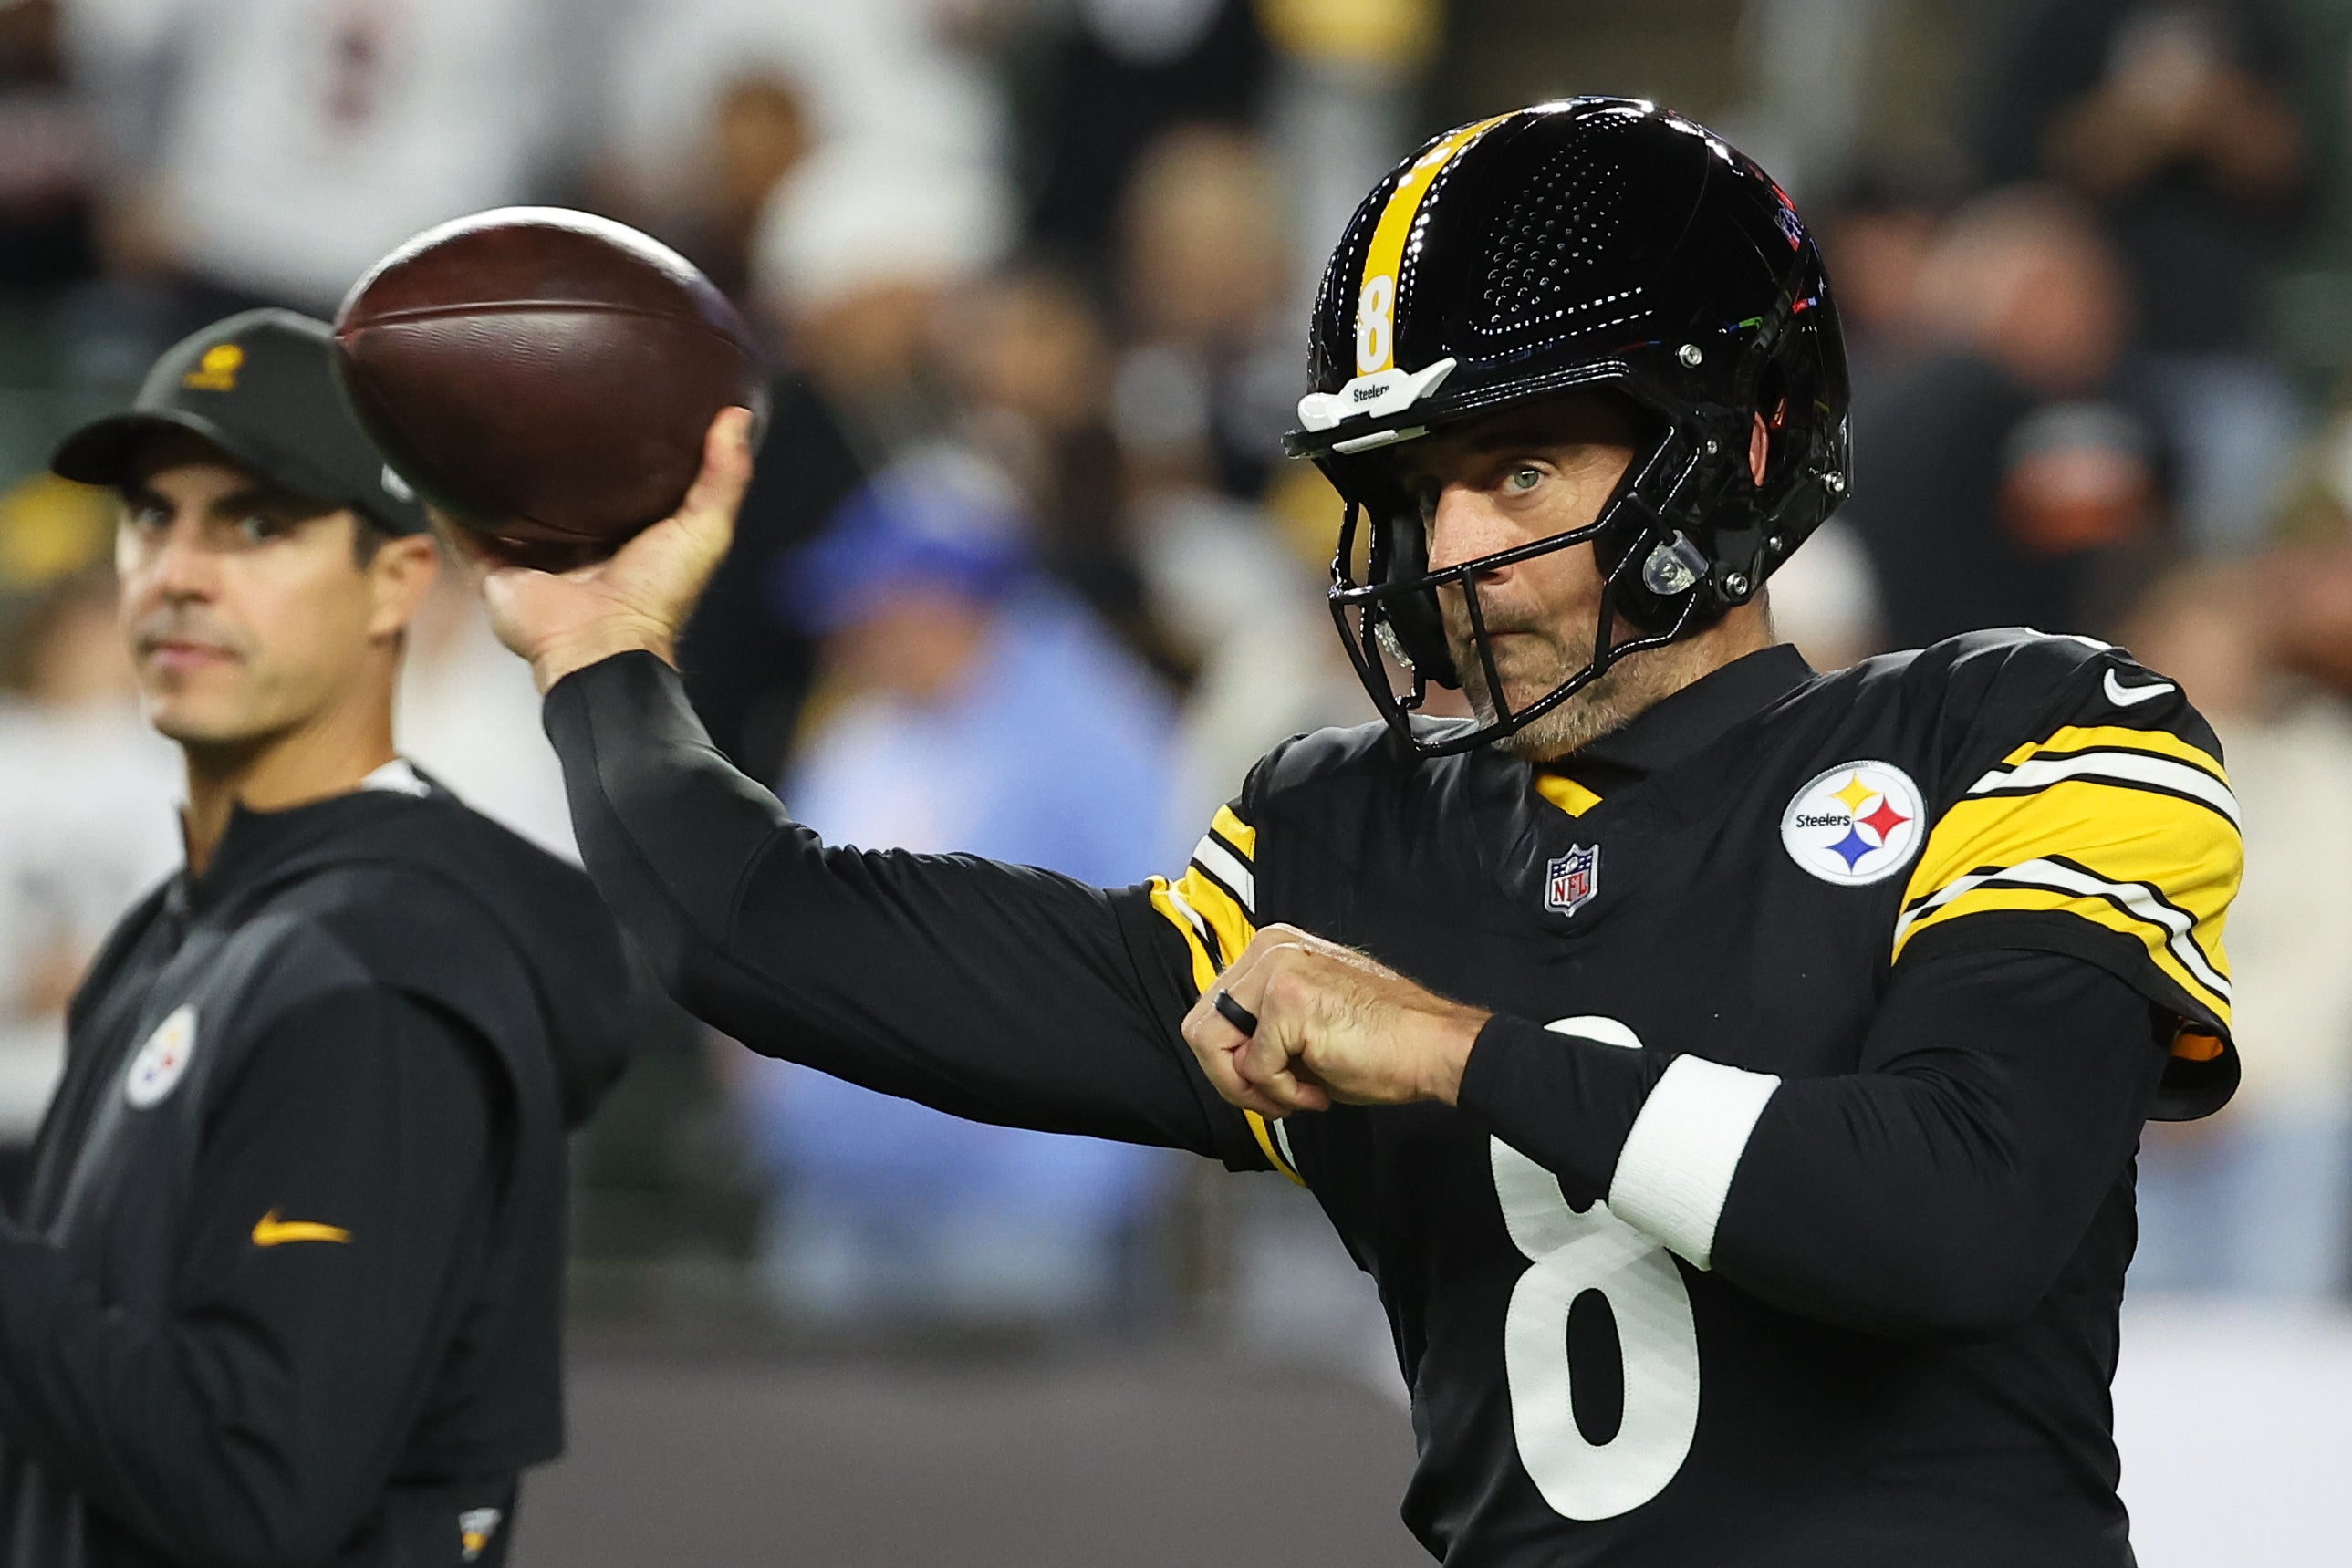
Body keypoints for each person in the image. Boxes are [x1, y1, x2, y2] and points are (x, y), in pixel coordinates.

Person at [473, 100, 2243, 1564]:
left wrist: (1455, 1050)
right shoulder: (1344, 841)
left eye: (1518, 470)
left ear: (1742, 441)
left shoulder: (2028, 728)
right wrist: (600, 656)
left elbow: (1959, 1216)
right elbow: (760, 932)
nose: (1444, 549)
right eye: (1405, 489)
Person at [5, 308, 673, 1567]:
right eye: (154, 516)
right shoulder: (178, 931)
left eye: (258, 523)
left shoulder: (381, 968)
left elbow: (254, 1492)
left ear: (398, 580)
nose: (180, 571)